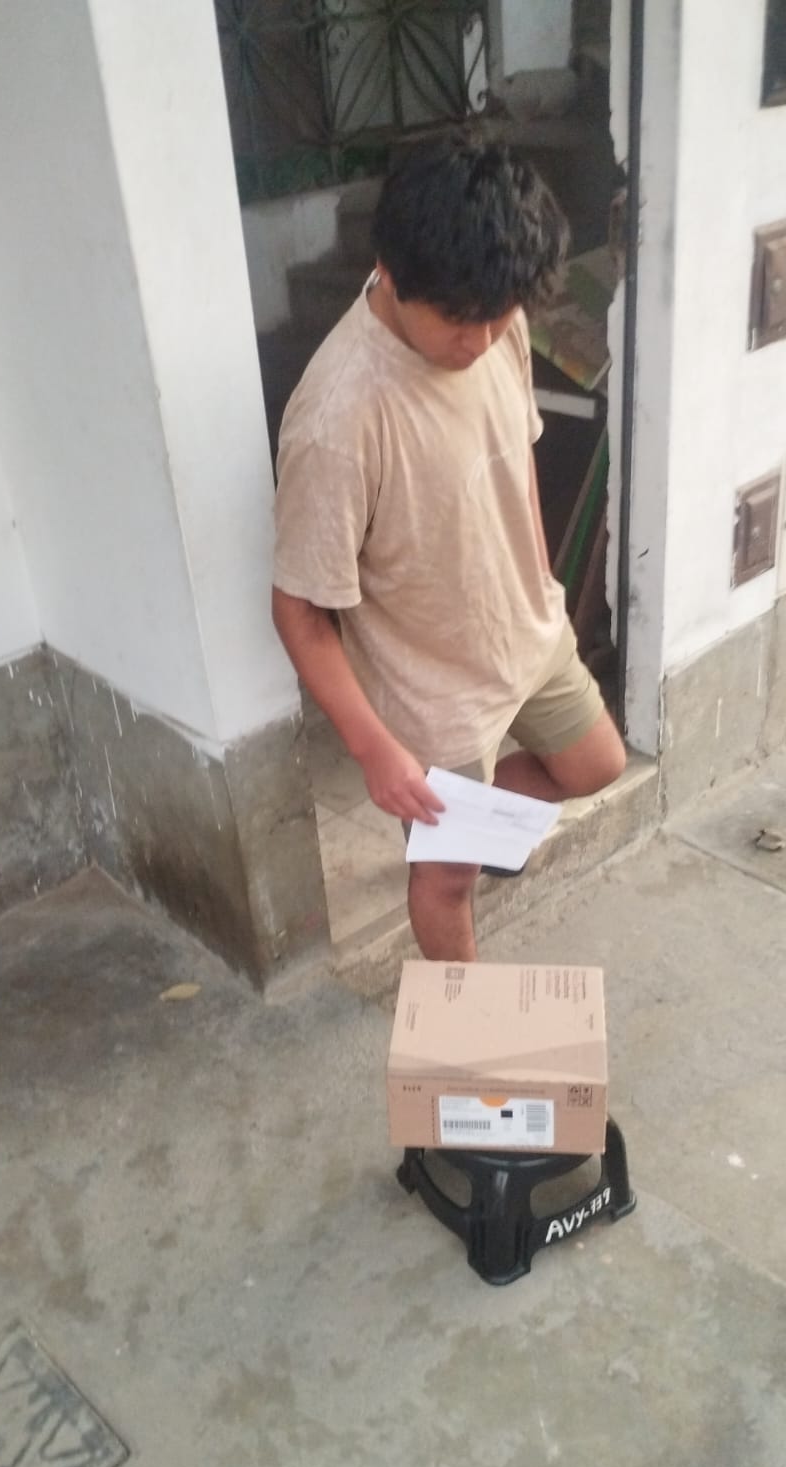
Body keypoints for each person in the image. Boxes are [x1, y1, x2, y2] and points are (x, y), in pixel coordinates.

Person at [271, 134, 625, 962]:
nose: (481, 341)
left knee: (598, 763)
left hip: (525, 631)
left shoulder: (496, 318)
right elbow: (298, 611)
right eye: (460, 321)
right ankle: (468, 1027)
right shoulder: (337, 420)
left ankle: (464, 827)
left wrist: (539, 580)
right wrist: (375, 750)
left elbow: (517, 453)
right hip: (432, 694)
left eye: (498, 317)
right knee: (447, 883)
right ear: (388, 272)